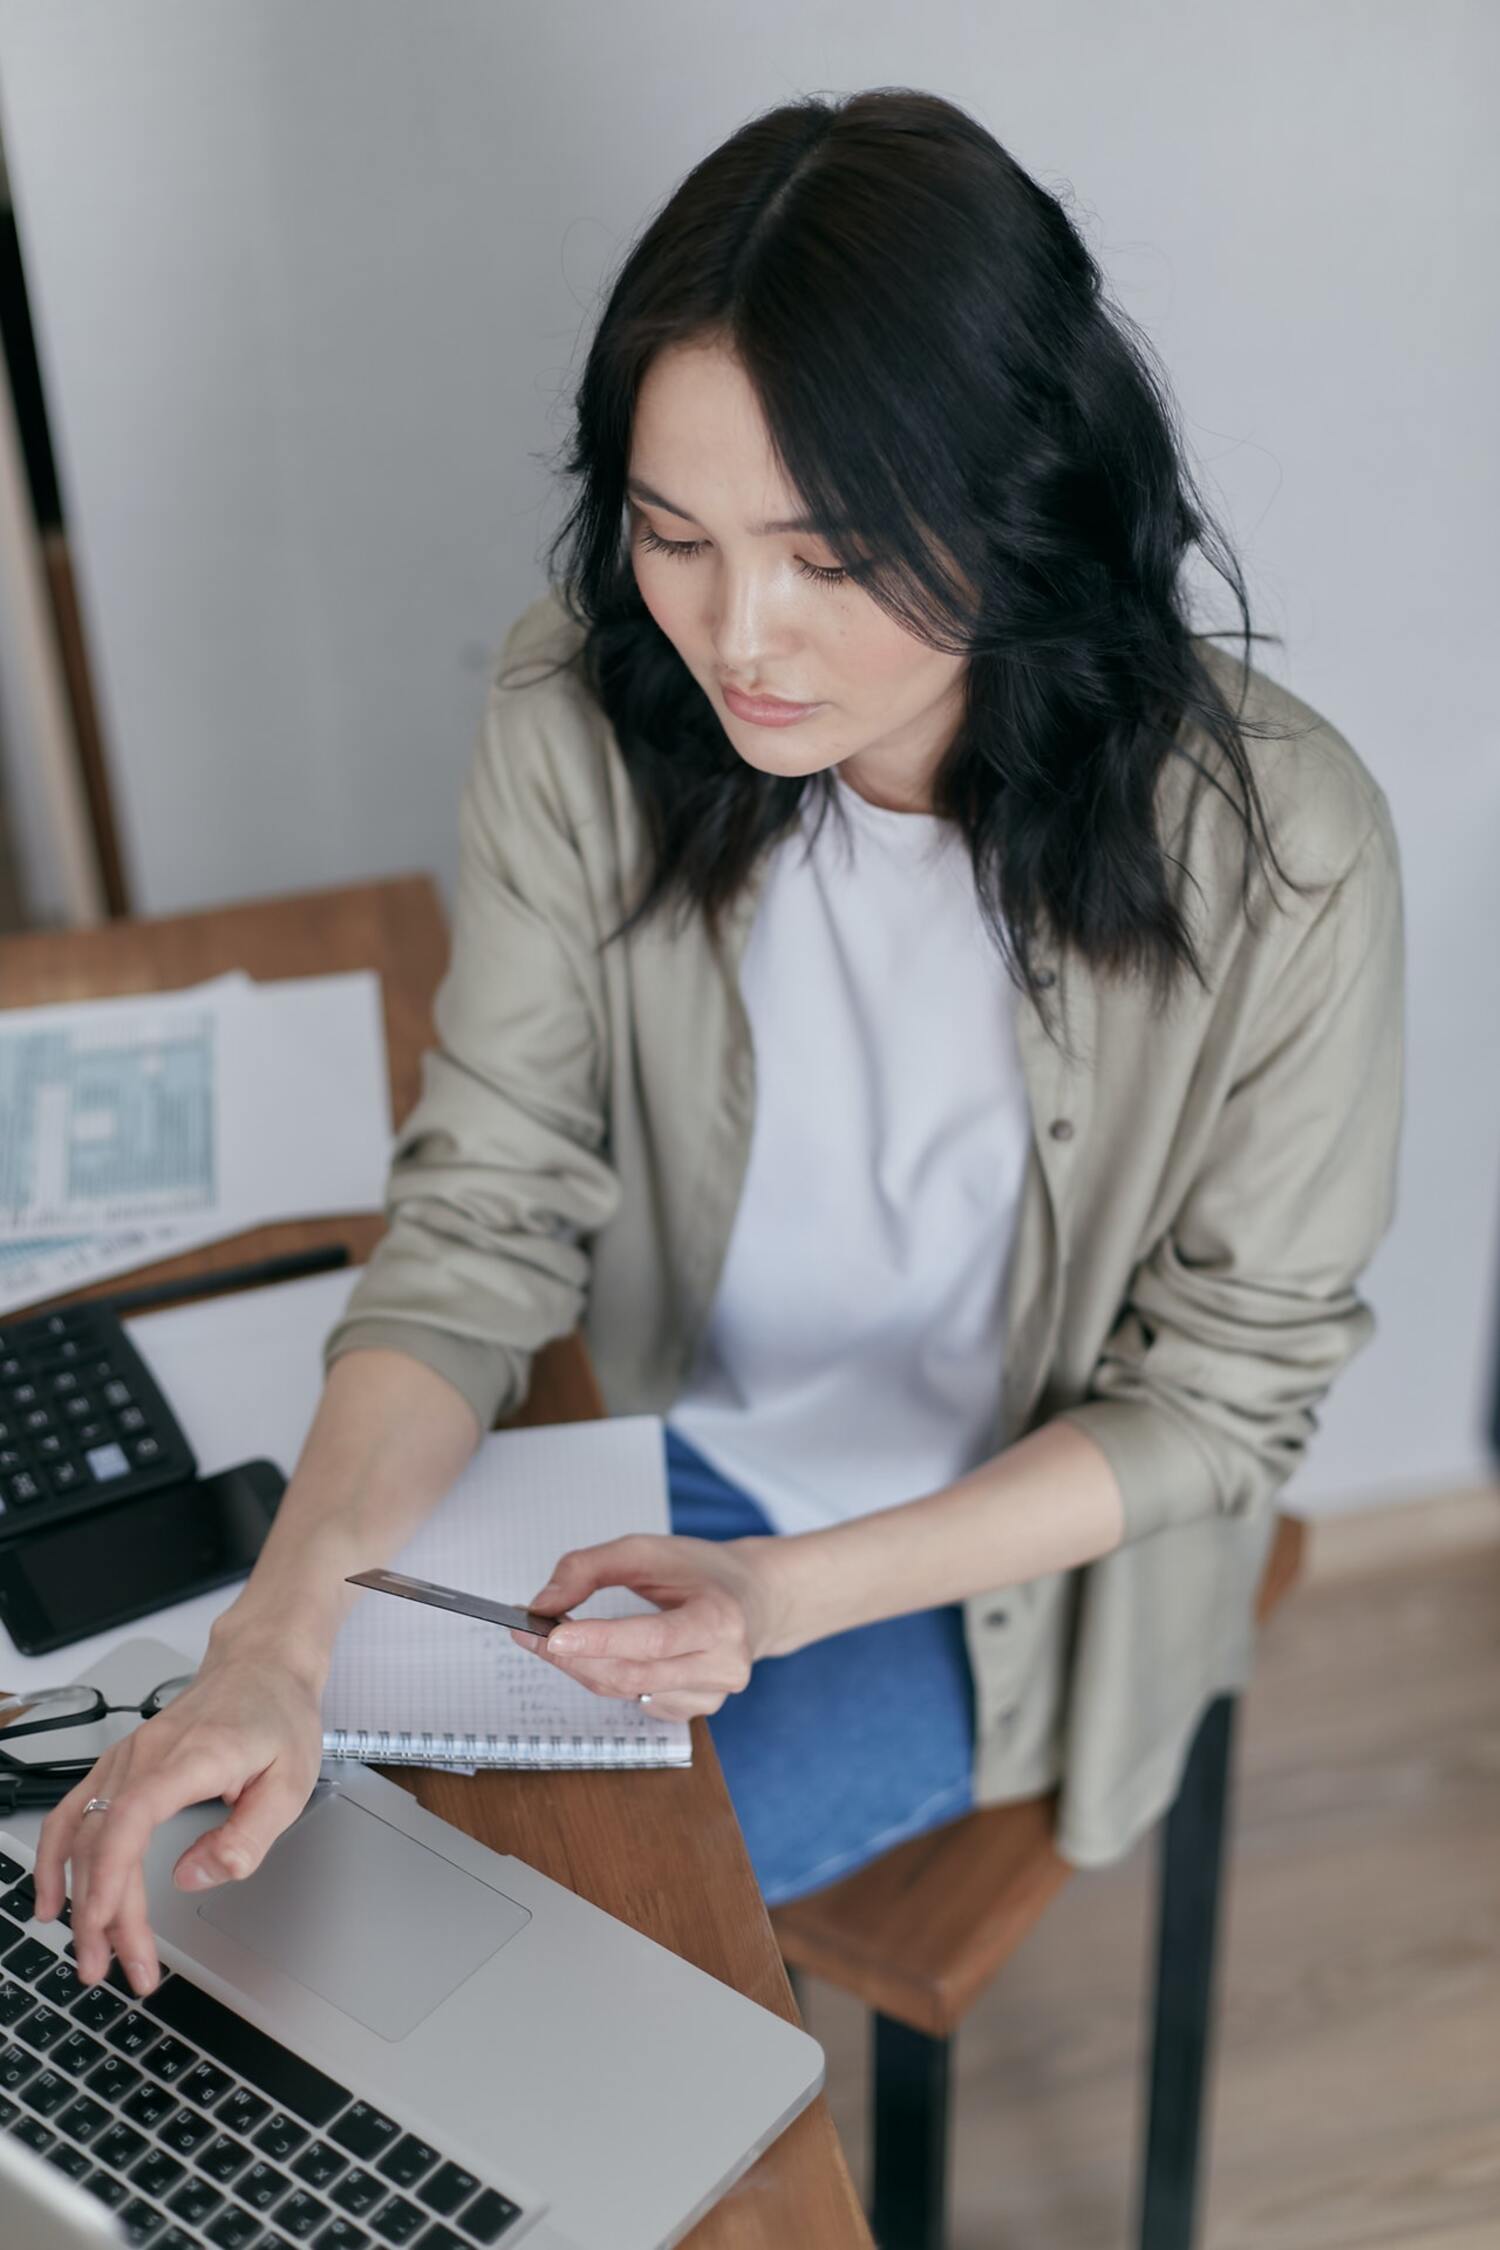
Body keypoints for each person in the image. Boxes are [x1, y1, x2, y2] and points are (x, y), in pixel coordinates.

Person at [35, 87, 1404, 1993]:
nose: (738, 634)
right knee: (254, 1828)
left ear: (1017, 498)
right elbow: (485, 1212)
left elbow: (1223, 1397)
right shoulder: (583, 710)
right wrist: (275, 1639)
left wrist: (777, 1595)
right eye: (674, 535)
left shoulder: (1283, 854)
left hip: (981, 1578)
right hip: (648, 1447)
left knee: (519, 1946)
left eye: (830, 560)